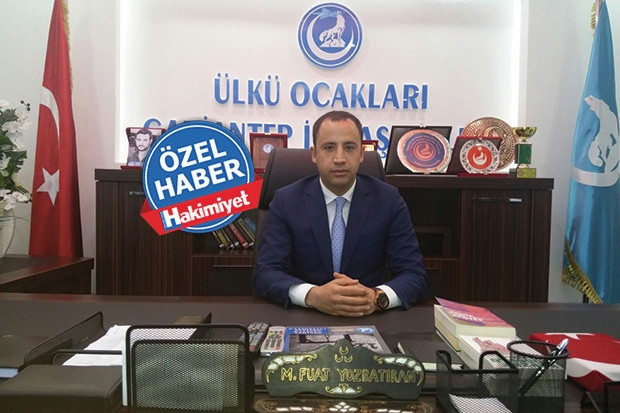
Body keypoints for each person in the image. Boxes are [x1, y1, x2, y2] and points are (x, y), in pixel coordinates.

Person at [254, 110, 427, 317]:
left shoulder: (388, 200)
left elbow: (414, 274)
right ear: (314, 154)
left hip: (368, 318)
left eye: (349, 147)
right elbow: (266, 273)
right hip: (305, 317)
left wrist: (376, 298)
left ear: (361, 154)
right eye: (329, 148)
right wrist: (313, 296)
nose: (339, 158)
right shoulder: (286, 201)